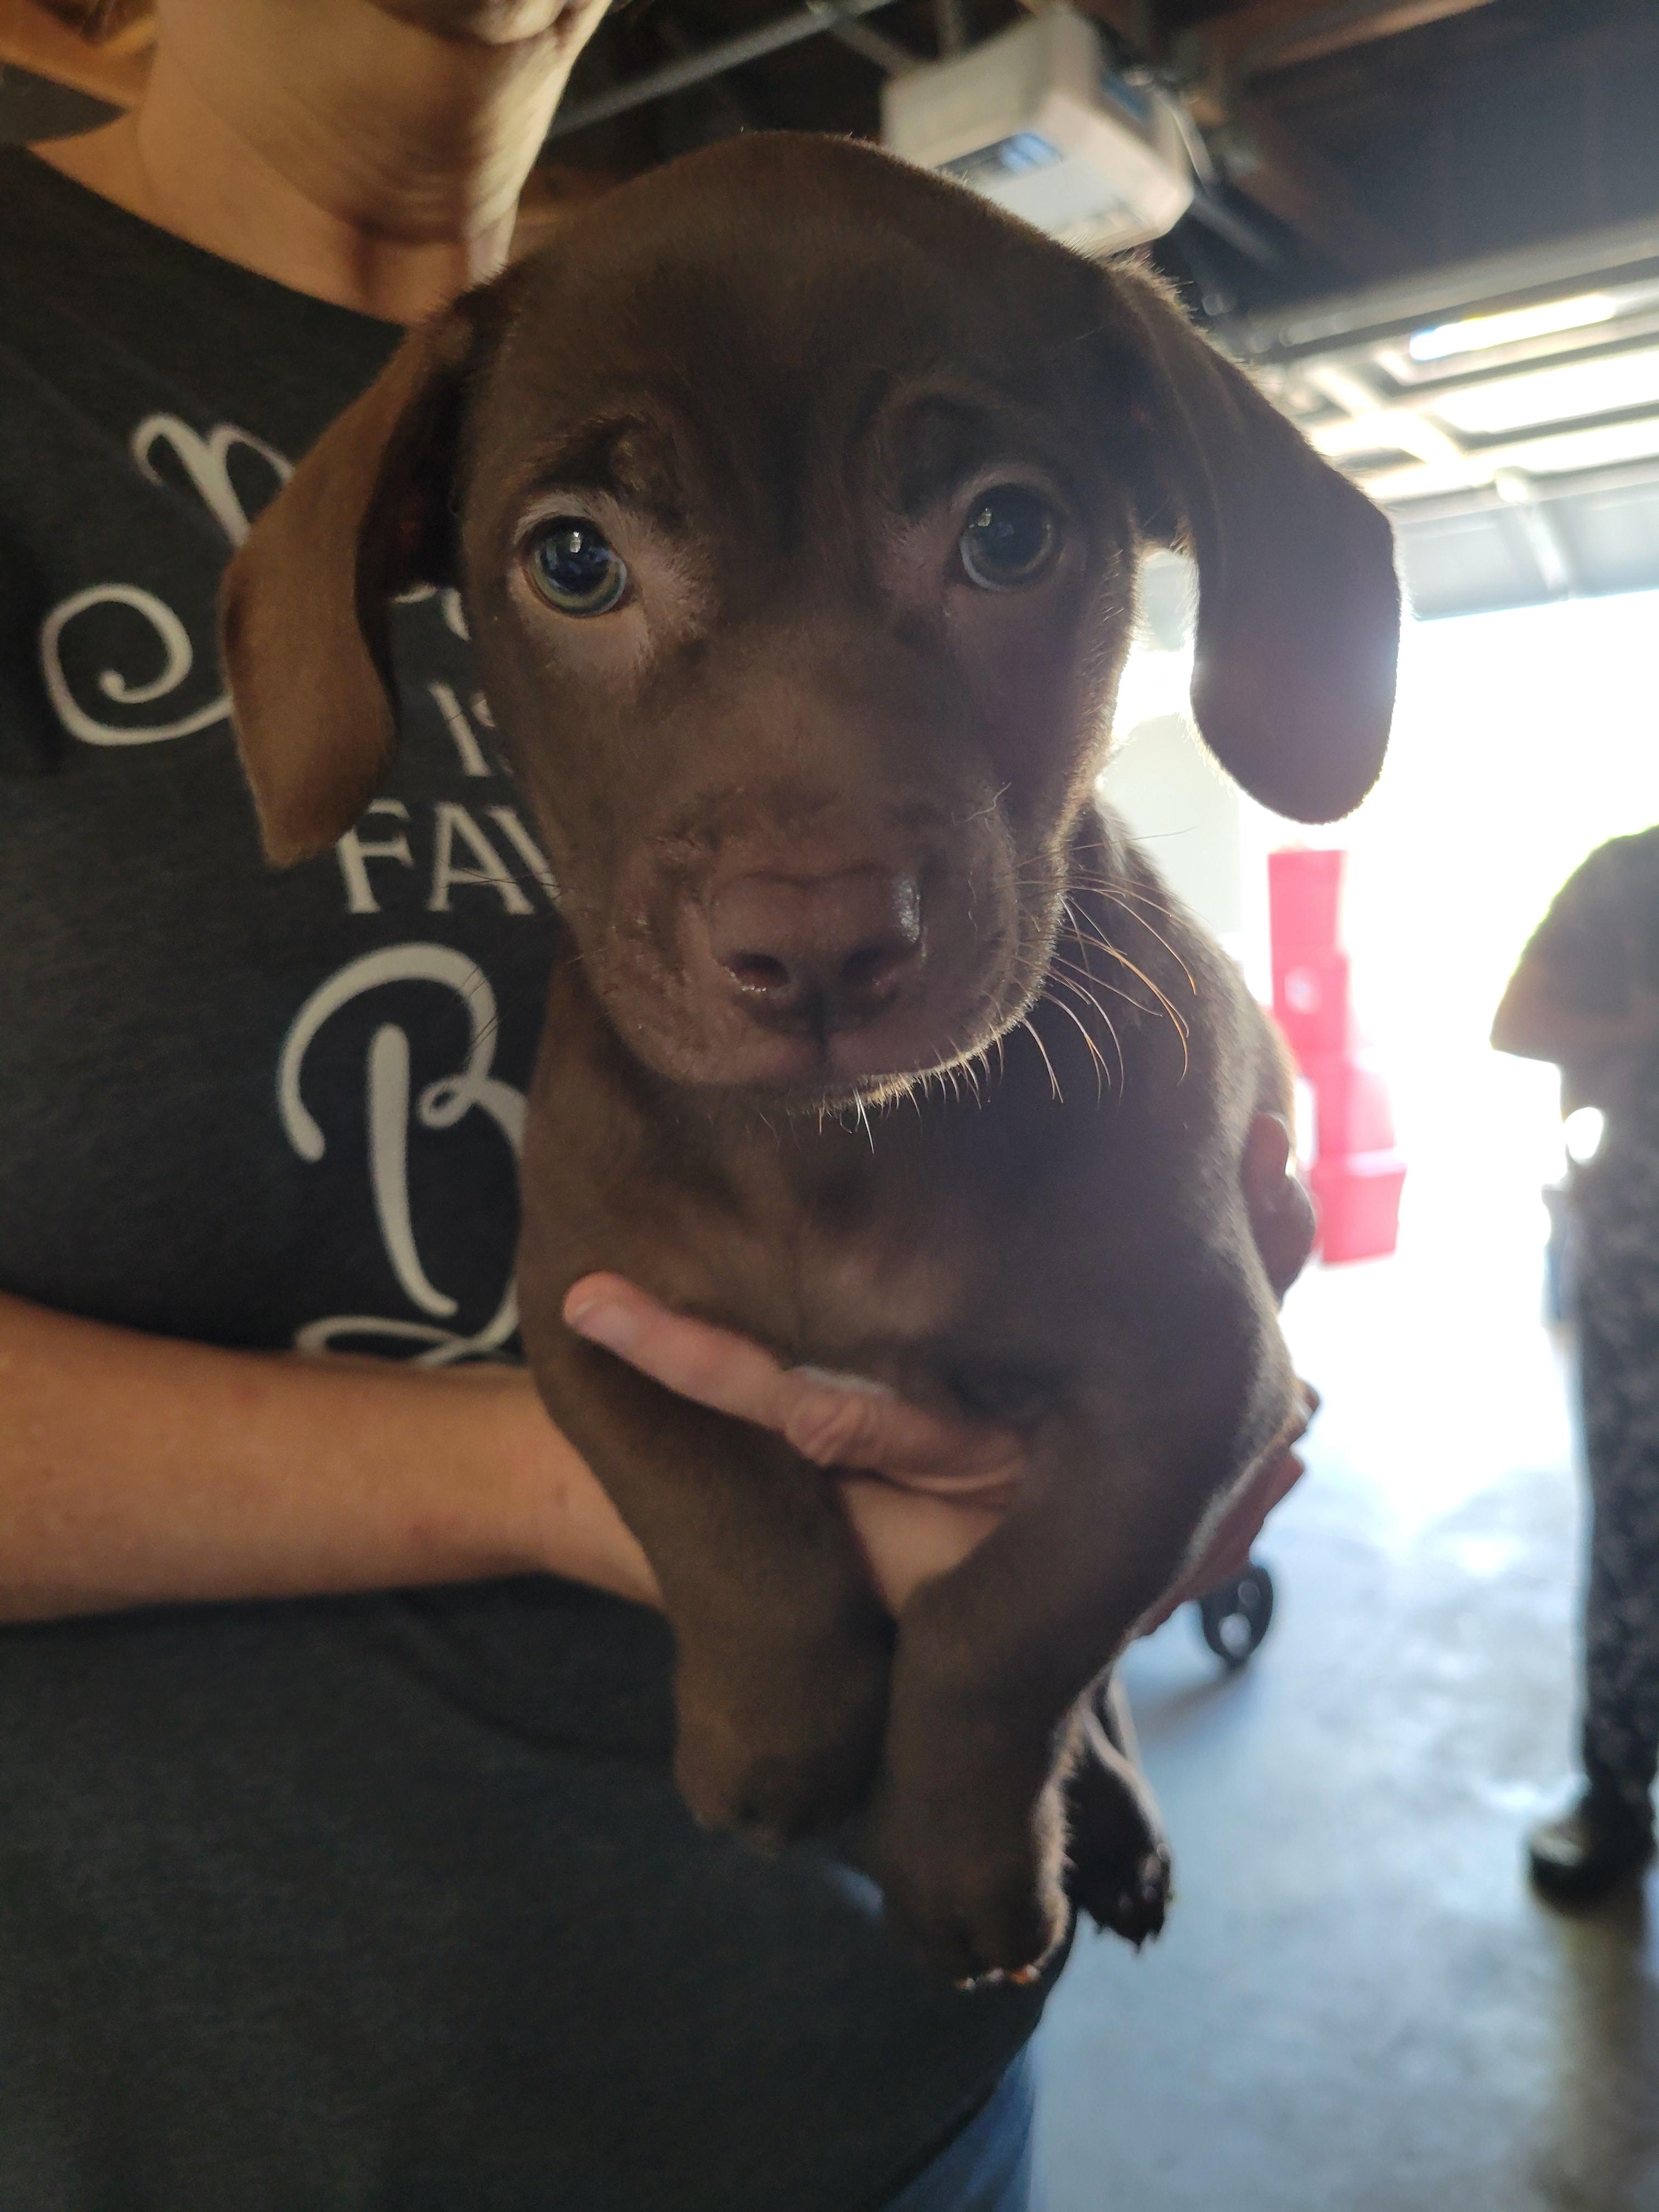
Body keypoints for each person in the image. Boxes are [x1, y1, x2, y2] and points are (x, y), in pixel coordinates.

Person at [0, 7, 1310, 2201]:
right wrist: (568, 1488)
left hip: (900, 2089)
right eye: (584, 566)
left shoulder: (764, 306)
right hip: (232, 2123)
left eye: (994, 532)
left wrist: (1096, 1465)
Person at [1493, 827, 1659, 1905]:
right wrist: (1636, 1029)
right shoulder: (1634, 879)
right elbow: (1518, 1020)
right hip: (1647, 1264)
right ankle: (1616, 1789)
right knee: (1639, 1532)